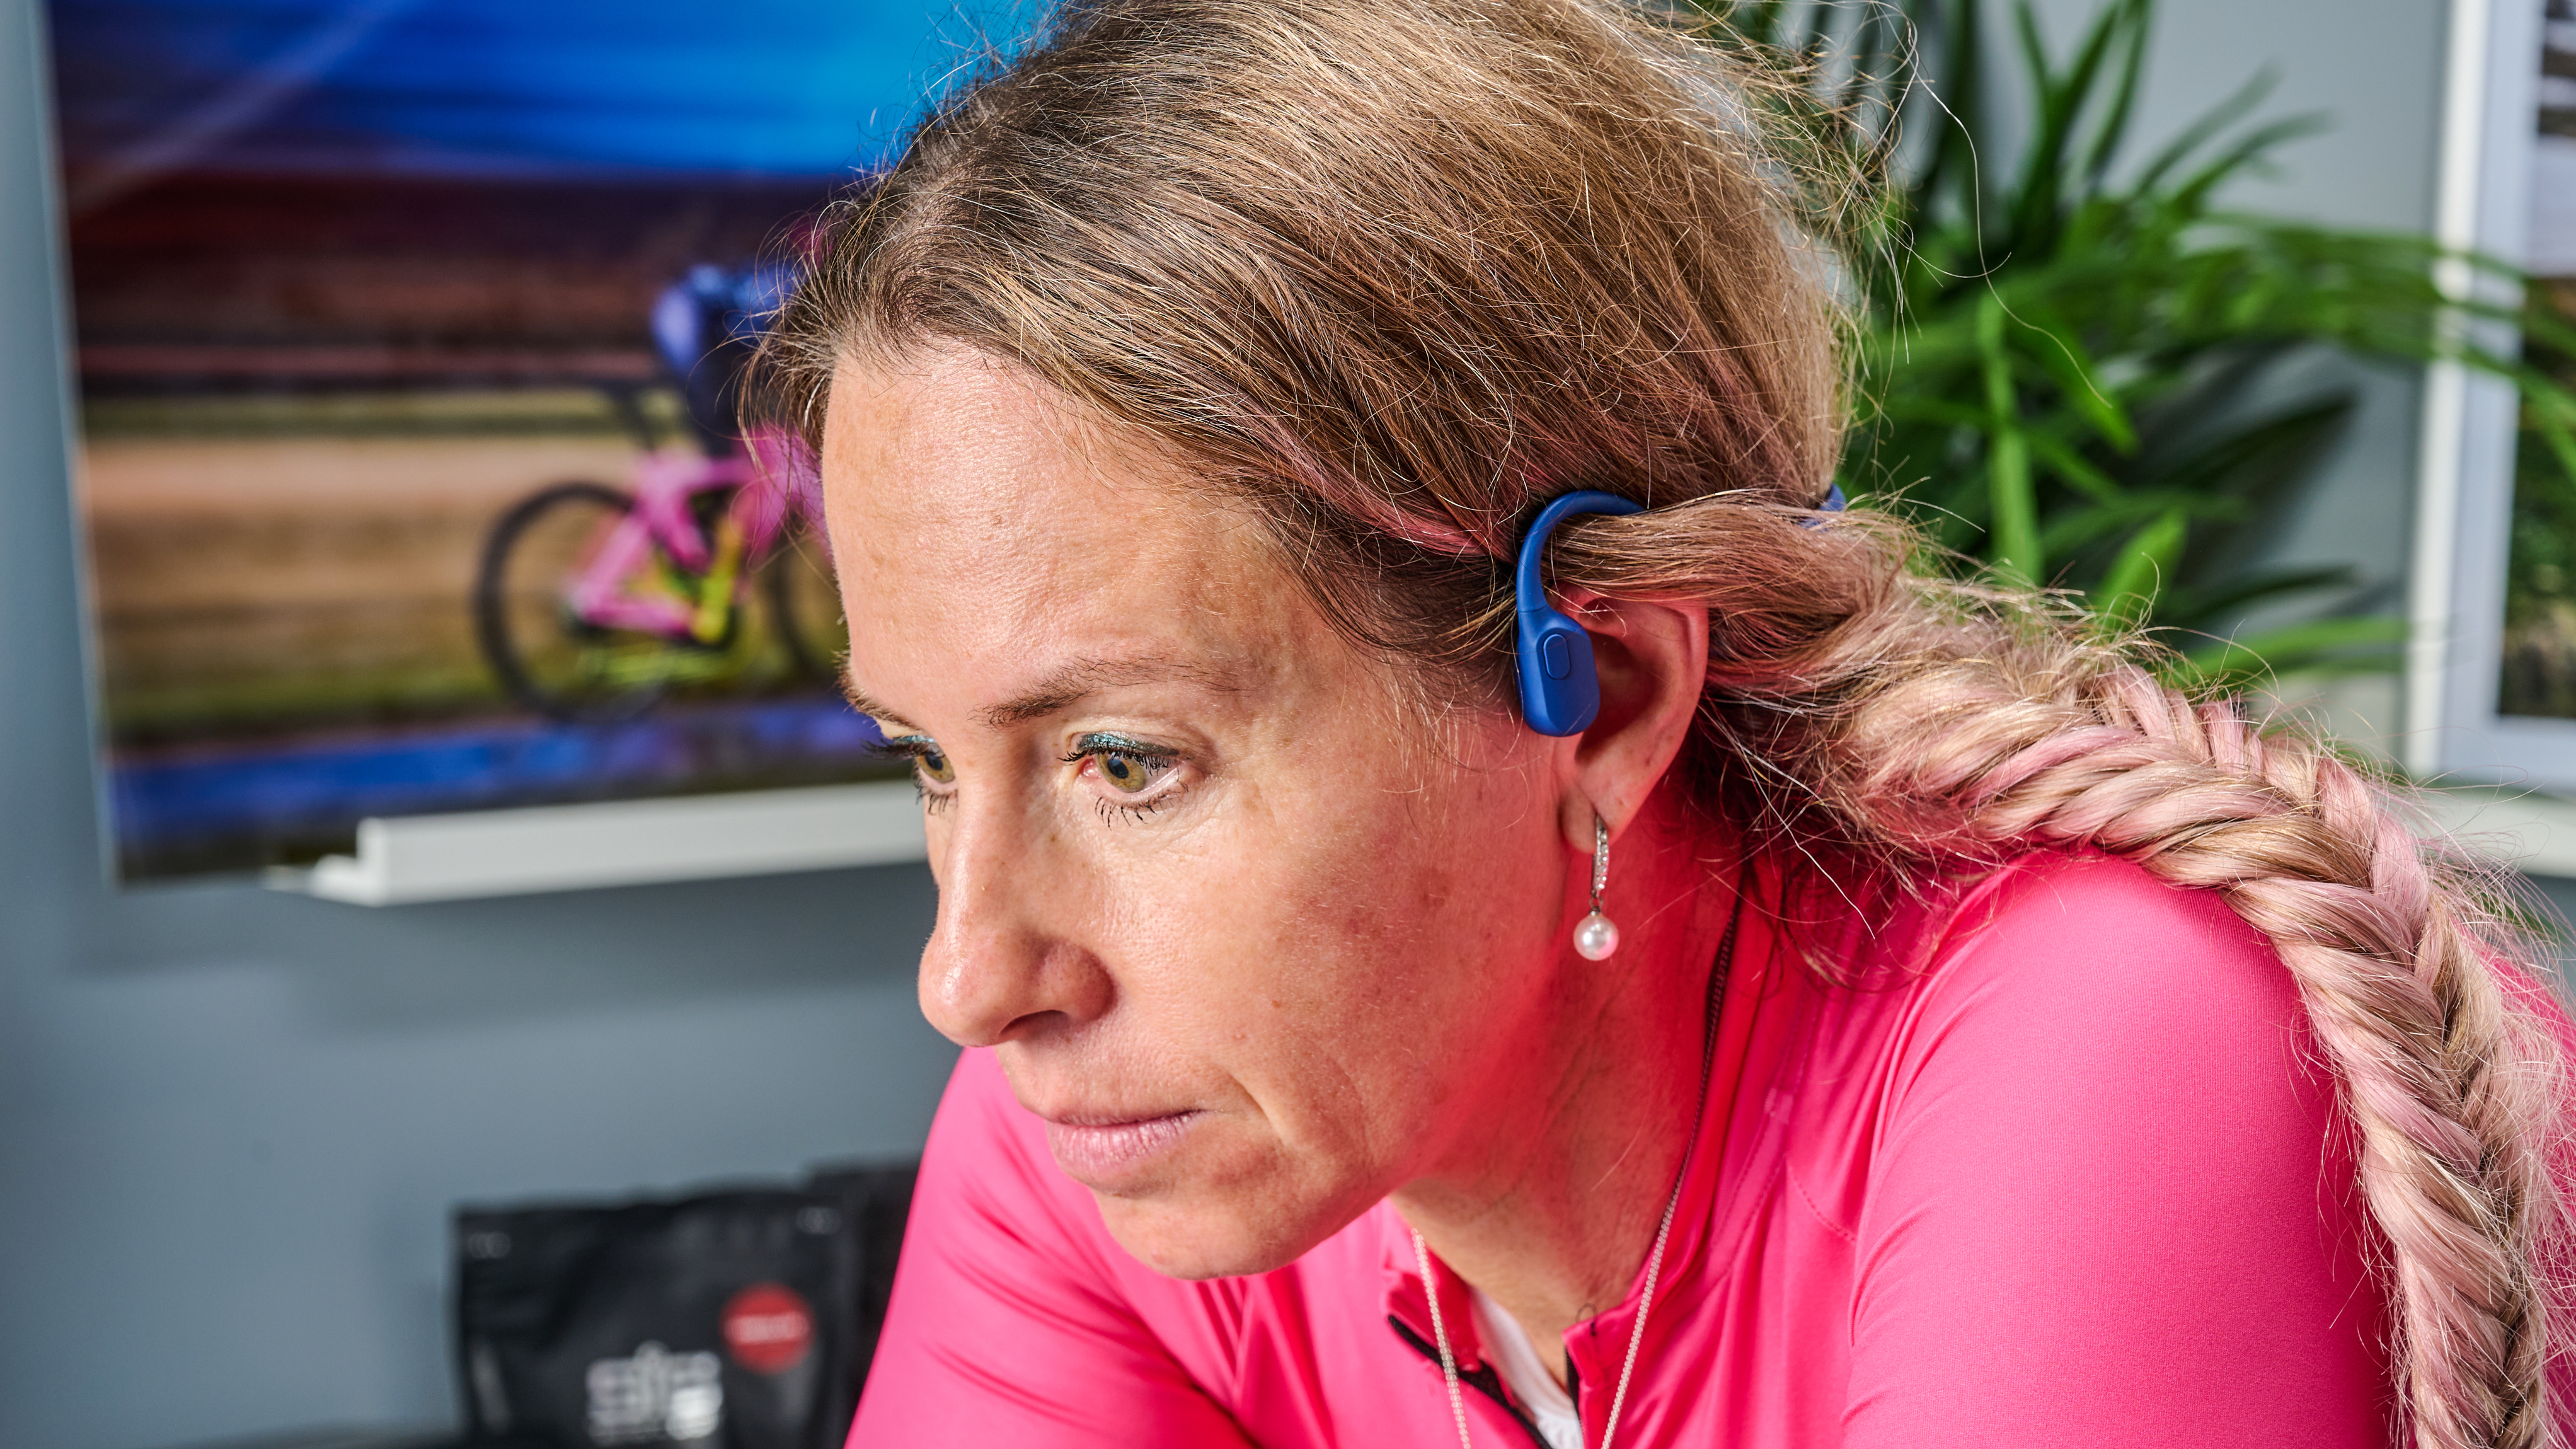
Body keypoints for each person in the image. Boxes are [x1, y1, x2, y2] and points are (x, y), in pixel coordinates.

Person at [751, 1, 2574, 1444]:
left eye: (1125, 761)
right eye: (929, 758)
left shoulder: (2105, 1038)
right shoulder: (1127, 1137)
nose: (976, 977)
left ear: (1602, 687)